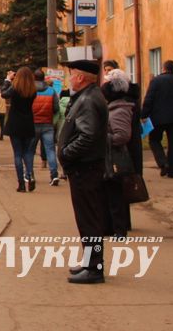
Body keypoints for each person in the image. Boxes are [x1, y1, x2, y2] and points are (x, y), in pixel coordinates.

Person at [58, 59, 109, 284]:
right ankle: (90, 263)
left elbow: (87, 136)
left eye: (72, 75)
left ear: (80, 78)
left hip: (85, 167)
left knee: (89, 220)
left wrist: (67, 153)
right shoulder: (87, 96)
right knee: (87, 219)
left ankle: (95, 268)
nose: (70, 79)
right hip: (84, 167)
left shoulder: (88, 100)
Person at [140, 60, 173, 178]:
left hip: (157, 118)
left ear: (163, 68)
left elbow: (149, 99)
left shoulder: (156, 81)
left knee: (154, 140)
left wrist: (143, 115)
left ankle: (163, 163)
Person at [101, 69, 134, 238]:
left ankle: (119, 230)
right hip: (110, 156)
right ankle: (110, 227)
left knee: (115, 195)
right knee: (109, 194)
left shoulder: (119, 110)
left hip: (115, 158)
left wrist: (101, 136)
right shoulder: (114, 108)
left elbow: (122, 136)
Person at [2, 68, 37, 192]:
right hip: (28, 123)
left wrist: (7, 79)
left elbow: (3, 94)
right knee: (28, 153)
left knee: (18, 153)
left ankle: (21, 184)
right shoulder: (33, 90)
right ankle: (30, 175)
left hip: (15, 124)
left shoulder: (15, 89)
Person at [33, 69, 61, 185]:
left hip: (33, 124)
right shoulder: (51, 91)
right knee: (50, 150)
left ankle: (29, 175)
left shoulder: (30, 91)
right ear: (44, 78)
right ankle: (54, 175)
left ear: (34, 78)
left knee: (30, 150)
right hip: (47, 124)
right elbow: (56, 108)